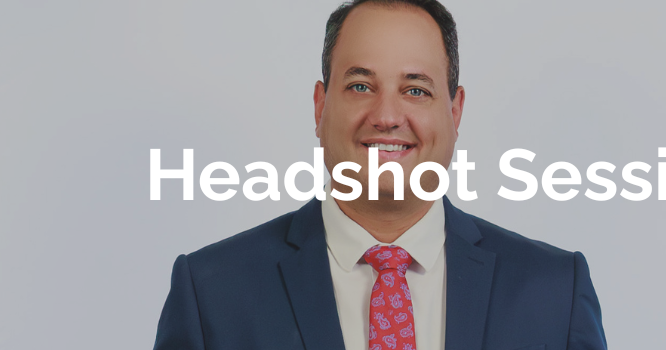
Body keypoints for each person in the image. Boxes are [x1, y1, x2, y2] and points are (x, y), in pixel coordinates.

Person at [153, 0, 607, 349]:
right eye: (360, 86)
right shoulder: (212, 292)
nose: (387, 116)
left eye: (415, 89)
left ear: (455, 111)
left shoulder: (553, 291)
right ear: (320, 105)